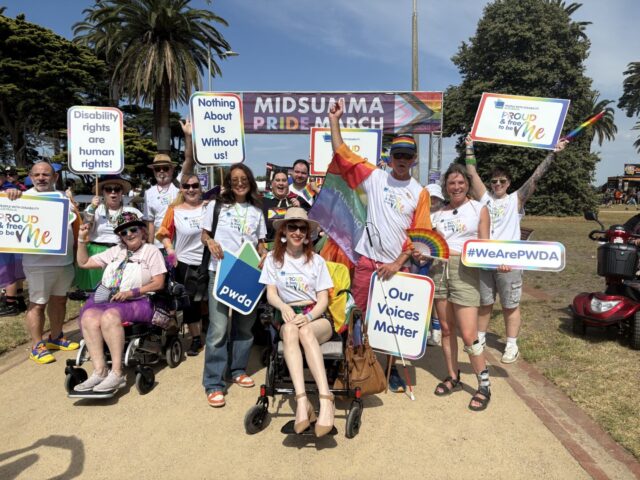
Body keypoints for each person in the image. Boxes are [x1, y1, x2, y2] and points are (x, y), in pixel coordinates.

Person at [328, 98, 431, 392]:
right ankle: (354, 365)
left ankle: (389, 368)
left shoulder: (419, 192)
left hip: (398, 269)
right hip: (367, 263)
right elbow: (343, 154)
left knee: (392, 322)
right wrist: (335, 121)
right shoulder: (374, 178)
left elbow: (420, 235)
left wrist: (398, 262)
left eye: (407, 156)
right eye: (397, 154)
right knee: (357, 316)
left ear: (414, 160)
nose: (401, 160)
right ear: (390, 155)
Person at [465, 136, 568, 363]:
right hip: (486, 260)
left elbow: (536, 177)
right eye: (494, 181)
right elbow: (471, 173)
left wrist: (553, 154)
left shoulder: (516, 200)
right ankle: (480, 338)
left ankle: (511, 345)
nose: (497, 185)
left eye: (502, 181)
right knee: (485, 302)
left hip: (510, 262)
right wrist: (470, 145)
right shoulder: (485, 199)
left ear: (509, 183)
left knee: (510, 305)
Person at [259, 208, 335, 436]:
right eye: (292, 226)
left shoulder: (317, 261)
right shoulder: (274, 260)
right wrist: (283, 307)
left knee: (304, 331)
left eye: (302, 228)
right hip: (288, 314)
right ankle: (302, 401)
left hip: (316, 316)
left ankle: (325, 397)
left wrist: (309, 316)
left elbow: (323, 300)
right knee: (291, 331)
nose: (298, 232)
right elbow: (271, 293)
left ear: (308, 233)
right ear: (284, 230)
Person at [73, 212, 167, 392]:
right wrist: (82, 240)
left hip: (137, 301)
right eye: (124, 232)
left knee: (109, 317)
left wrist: (131, 292)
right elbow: (83, 263)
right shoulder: (116, 252)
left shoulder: (151, 251)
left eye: (133, 230)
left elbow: (159, 282)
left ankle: (117, 373)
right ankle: (100, 371)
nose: (129, 234)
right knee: (88, 317)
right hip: (108, 299)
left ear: (142, 231)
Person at [201, 164, 267, 408]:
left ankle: (237, 369)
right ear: (229, 182)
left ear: (250, 181)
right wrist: (210, 243)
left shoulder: (257, 210)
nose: (240, 183)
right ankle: (213, 383)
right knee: (218, 329)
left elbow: (260, 243)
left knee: (245, 326)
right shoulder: (216, 206)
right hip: (220, 272)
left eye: (244, 179)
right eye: (235, 179)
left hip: (248, 273)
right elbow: (204, 234)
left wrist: (265, 253)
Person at [5, 162, 81, 364]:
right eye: (37, 174)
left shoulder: (64, 198)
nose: (41, 178)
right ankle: (37, 345)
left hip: (64, 262)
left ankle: (56, 337)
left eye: (45, 174)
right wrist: (10, 192)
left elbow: (75, 227)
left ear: (54, 177)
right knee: (38, 304)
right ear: (30, 176)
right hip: (38, 263)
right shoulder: (21, 197)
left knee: (60, 300)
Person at [431, 163, 491, 411]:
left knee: (468, 334)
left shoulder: (479, 209)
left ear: (467, 184)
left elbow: (486, 245)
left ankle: (484, 385)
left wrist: (502, 261)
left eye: (460, 182)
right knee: (446, 329)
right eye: (451, 183)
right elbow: (433, 245)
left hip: (465, 271)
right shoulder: (437, 215)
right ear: (445, 186)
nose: (455, 187)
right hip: (439, 270)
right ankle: (453, 376)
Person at [156, 173, 207, 356]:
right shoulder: (174, 210)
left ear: (200, 188)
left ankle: (211, 332)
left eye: (194, 186)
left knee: (208, 302)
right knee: (190, 303)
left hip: (209, 261)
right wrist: (170, 251)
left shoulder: (209, 207)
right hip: (185, 263)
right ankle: (195, 339)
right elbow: (163, 233)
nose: (191, 189)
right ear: (182, 189)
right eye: (187, 186)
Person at [75, 175, 142, 293]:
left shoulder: (132, 211)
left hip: (121, 252)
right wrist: (92, 207)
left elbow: (142, 235)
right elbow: (87, 226)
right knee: (95, 293)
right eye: (108, 189)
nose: (113, 192)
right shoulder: (96, 210)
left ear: (121, 192)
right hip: (97, 252)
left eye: (117, 189)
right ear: (103, 192)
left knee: (118, 290)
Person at [143, 119, 194, 248]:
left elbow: (189, 159)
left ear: (172, 169)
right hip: (159, 246)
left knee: (174, 267)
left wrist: (188, 136)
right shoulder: (149, 193)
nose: (161, 171)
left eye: (165, 168)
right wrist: (149, 247)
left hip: (179, 245)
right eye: (157, 168)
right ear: (153, 171)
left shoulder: (180, 185)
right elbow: (150, 222)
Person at [0, 168, 26, 316]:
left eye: (9, 175)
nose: (9, 176)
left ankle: (11, 303)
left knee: (9, 271)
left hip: (11, 236)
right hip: (8, 236)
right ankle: (17, 299)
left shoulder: (11, 189)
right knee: (10, 270)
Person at [262, 167, 307, 244]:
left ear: (287, 184)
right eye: (277, 180)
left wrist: (300, 209)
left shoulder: (297, 200)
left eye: (284, 180)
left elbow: (309, 224)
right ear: (272, 183)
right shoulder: (262, 201)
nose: (281, 183)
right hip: (268, 248)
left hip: (290, 247)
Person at [424, 183, 446, 347]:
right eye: (430, 198)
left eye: (436, 198)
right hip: (421, 260)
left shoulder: (443, 214)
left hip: (437, 262)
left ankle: (437, 331)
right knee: (425, 296)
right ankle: (425, 330)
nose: (433, 201)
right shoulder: (420, 212)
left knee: (437, 296)